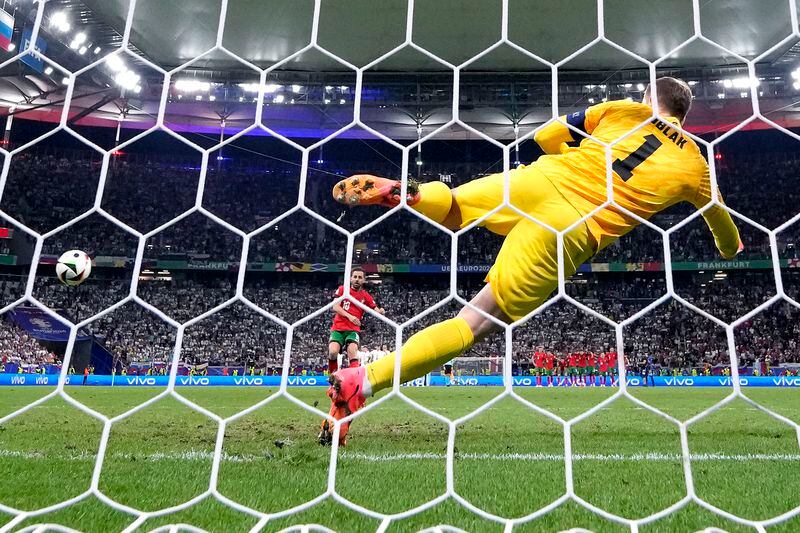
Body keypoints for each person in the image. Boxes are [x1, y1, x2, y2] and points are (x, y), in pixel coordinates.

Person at [321, 77, 742, 446]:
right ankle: (367, 381)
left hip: (541, 178)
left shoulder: (626, 111)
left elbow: (545, 136)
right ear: (683, 114)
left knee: (451, 207)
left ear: (650, 98)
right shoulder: (696, 164)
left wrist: (569, 153)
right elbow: (722, 228)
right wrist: (731, 251)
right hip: (571, 226)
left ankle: (411, 193)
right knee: (476, 321)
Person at [326, 267, 385, 374]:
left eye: (360, 277)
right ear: (351, 278)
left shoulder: (365, 295)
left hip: (353, 330)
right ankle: (333, 378)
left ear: (363, 280)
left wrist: (380, 311)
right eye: (355, 277)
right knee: (333, 352)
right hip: (338, 328)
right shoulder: (343, 289)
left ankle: (354, 380)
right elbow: (335, 306)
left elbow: (375, 308)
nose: (357, 279)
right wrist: (350, 316)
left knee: (352, 351)